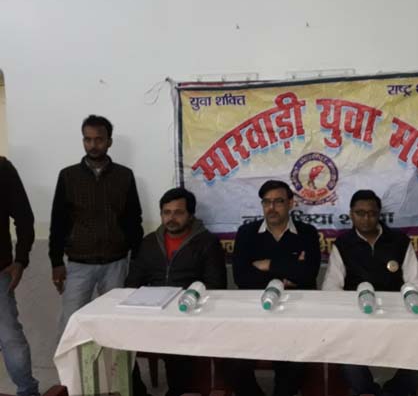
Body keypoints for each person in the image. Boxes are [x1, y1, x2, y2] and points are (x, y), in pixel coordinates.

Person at [322, 189, 418, 396]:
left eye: (371, 213)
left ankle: (392, 392)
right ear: (351, 214)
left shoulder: (399, 241)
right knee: (347, 360)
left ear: (379, 214)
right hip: (357, 318)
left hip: (397, 317)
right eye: (360, 213)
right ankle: (368, 391)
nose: (366, 218)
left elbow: (416, 284)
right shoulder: (343, 244)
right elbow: (331, 288)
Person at [126, 187, 227, 396]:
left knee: (176, 348)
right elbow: (132, 282)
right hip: (152, 311)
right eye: (167, 212)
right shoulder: (149, 242)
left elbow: (216, 285)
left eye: (178, 212)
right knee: (117, 342)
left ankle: (177, 391)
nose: (171, 218)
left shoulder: (207, 242)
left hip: (187, 313)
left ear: (190, 215)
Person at [49, 115, 144, 336]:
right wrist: (56, 262)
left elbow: (133, 220)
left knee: (117, 324)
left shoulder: (124, 176)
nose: (93, 145)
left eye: (99, 139)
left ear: (109, 141)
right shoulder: (68, 176)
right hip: (79, 264)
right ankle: (72, 361)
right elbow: (58, 221)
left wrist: (136, 261)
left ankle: (117, 361)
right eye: (88, 139)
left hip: (116, 263)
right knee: (71, 325)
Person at [230, 180, 321, 396]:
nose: (271, 208)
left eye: (278, 201)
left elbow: (307, 275)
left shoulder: (307, 233)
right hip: (254, 313)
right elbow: (241, 277)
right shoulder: (246, 233)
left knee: (293, 364)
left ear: (291, 203)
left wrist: (268, 264)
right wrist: (288, 272)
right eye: (266, 202)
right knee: (233, 362)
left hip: (296, 313)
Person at [0, 157, 39, 396]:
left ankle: (28, 391)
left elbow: (24, 216)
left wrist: (21, 259)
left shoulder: (1, 168)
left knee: (9, 337)